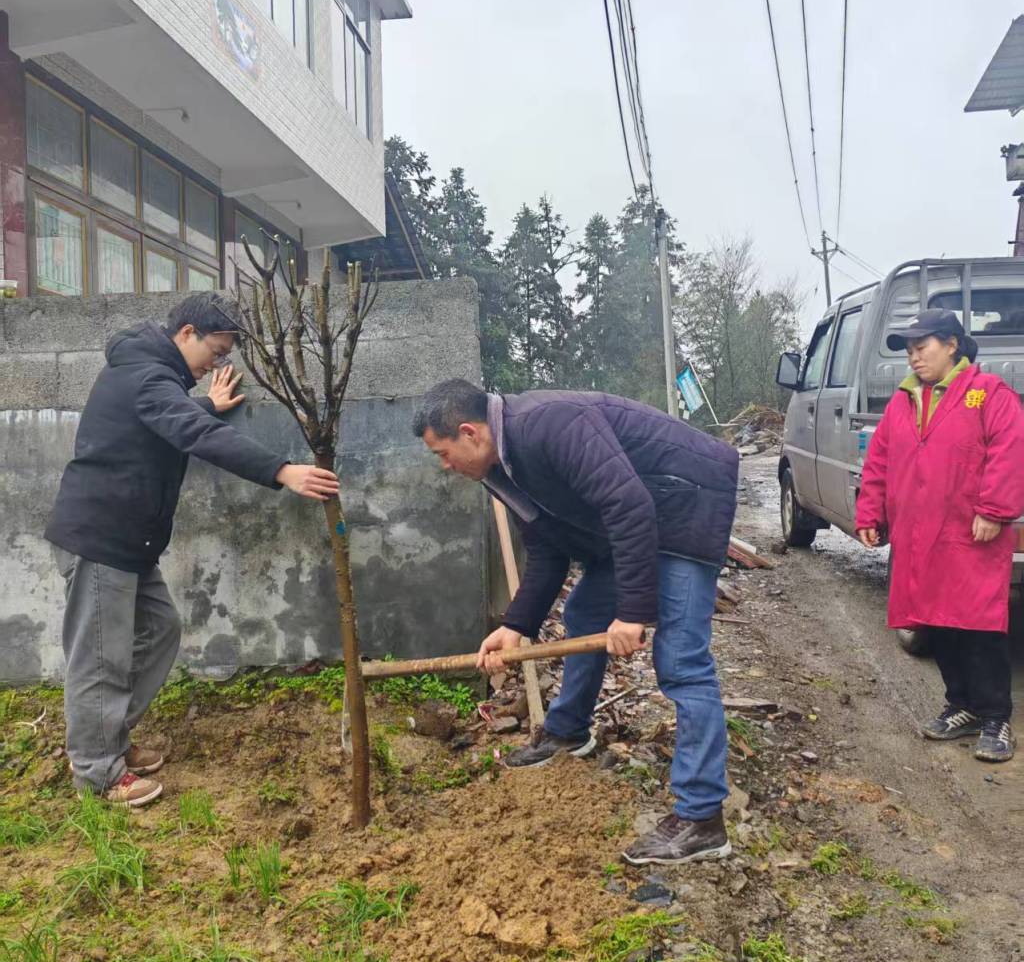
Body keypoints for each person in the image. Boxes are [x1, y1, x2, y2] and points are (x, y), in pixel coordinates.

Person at [413, 378, 739, 866]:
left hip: (685, 502)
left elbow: (628, 505)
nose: (444, 466)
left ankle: (702, 818)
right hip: (638, 516)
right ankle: (568, 729)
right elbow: (547, 548)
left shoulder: (550, 424)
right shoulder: (503, 468)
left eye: (442, 453)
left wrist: (632, 613)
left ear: (469, 433)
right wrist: (515, 626)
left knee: (681, 660)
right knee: (585, 611)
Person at [45, 294, 341, 807]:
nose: (216, 364)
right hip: (100, 538)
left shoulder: (154, 376)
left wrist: (205, 403)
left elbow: (167, 418)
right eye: (217, 351)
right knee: (100, 657)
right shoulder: (146, 375)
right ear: (186, 333)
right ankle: (96, 770)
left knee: (160, 630)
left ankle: (104, 738)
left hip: (128, 542)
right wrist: (281, 470)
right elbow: (190, 430)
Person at [855, 308, 1024, 762]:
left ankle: (995, 717)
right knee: (938, 620)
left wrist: (994, 510)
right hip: (921, 535)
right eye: (909, 350)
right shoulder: (902, 402)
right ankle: (961, 705)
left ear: (952, 345)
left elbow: (1010, 450)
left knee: (980, 626)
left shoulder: (987, 393)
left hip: (972, 534)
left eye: (922, 347)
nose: (914, 357)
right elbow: (879, 462)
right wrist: (870, 513)